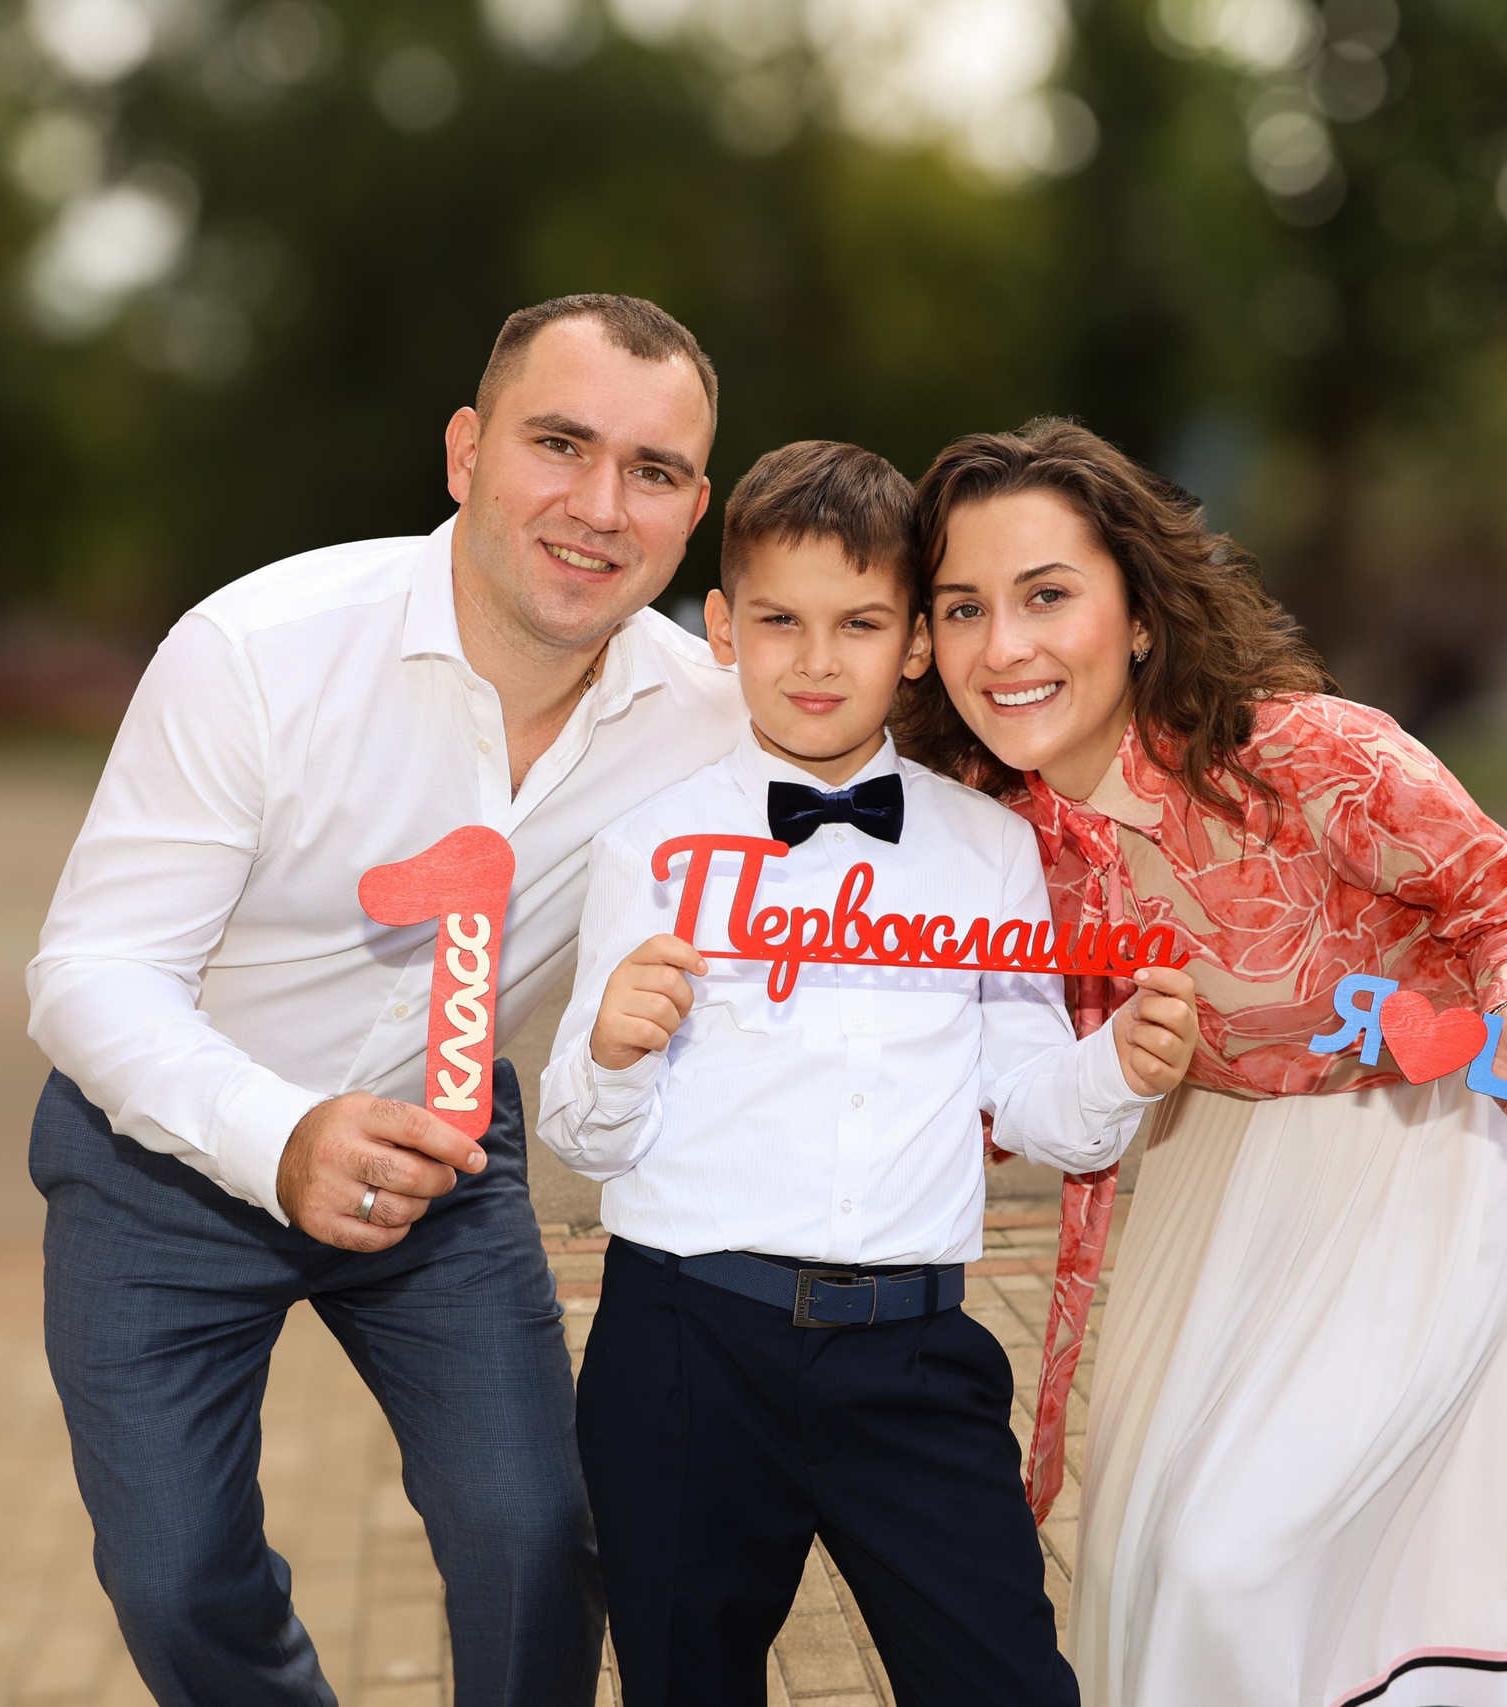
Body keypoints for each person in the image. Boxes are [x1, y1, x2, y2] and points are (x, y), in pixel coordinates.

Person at [25, 295, 743, 1707]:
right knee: (177, 1580)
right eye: (560, 442)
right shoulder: (258, 650)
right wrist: (279, 1135)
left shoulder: (706, 713)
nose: (602, 505)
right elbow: (90, 971)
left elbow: (921, 755)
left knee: (540, 1535)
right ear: (468, 452)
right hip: (162, 1162)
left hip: (447, 1164)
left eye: (653, 471)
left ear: (695, 505)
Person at [894, 418, 1507, 1707]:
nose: (1001, 647)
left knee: (1230, 1559)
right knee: (1140, 1560)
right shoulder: (986, 832)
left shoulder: (1307, 756)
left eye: (1047, 596)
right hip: (1204, 1174)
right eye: (962, 607)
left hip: (1407, 1153)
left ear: (1137, 613)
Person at [538, 440, 1198, 1707]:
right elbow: (588, 1138)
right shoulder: (651, 845)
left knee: (1004, 1681)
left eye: (859, 624)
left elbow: (1039, 1111)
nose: (815, 659)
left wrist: (1117, 1066)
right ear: (722, 628)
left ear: (913, 645)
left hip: (912, 1356)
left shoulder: (989, 848)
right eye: (779, 621)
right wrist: (614, 1049)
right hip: (682, 1345)